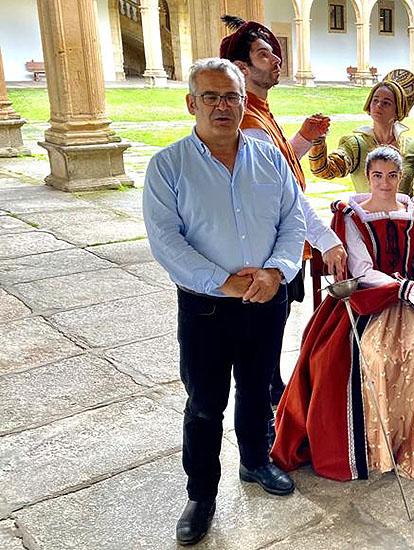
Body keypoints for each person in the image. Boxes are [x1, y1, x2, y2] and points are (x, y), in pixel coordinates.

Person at [143, 58, 305, 546]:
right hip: (207, 308)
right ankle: (201, 495)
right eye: (210, 97)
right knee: (205, 403)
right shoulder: (169, 165)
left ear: (243, 101)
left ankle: (256, 462)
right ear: (191, 103)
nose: (222, 106)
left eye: (231, 96)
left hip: (265, 300)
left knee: (257, 390)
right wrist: (224, 282)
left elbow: (292, 221)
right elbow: (167, 242)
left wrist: (276, 272)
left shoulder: (269, 157)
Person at [271, 146, 414, 483]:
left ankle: (408, 443)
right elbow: (360, 269)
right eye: (377, 175)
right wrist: (407, 287)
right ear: (368, 176)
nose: (385, 183)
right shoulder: (352, 214)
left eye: (392, 175)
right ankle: (372, 445)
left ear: (401, 176)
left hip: (413, 303)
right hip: (365, 302)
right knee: (371, 356)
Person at [219, 14, 348, 406]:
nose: (276, 60)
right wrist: (326, 239)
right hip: (266, 248)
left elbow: (281, 164)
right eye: (264, 55)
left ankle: (272, 403)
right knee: (261, 344)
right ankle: (267, 428)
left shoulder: (261, 112)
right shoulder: (251, 121)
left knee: (272, 334)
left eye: (275, 53)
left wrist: (305, 139)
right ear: (242, 68)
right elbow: (284, 193)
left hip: (279, 242)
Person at [307, 69, 414, 198]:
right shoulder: (356, 146)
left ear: (398, 110)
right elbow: (324, 171)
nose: (378, 105)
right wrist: (318, 140)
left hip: (405, 220)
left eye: (386, 103)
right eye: (375, 100)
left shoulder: (413, 148)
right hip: (365, 220)